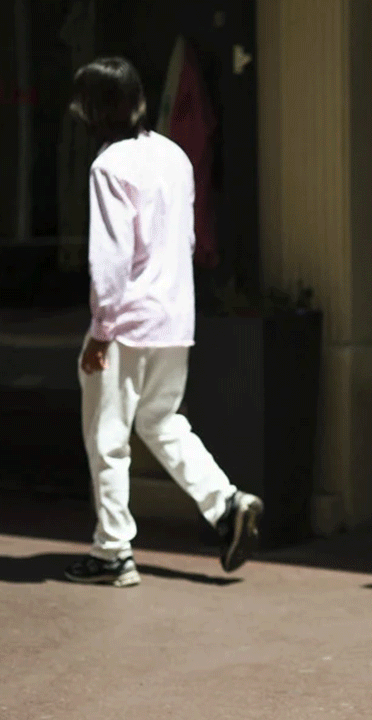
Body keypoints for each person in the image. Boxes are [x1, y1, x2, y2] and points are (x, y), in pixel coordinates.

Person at [62, 57, 263, 588]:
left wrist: (100, 334)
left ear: (96, 109)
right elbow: (191, 237)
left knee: (108, 438)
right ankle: (226, 504)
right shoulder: (172, 155)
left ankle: (112, 553)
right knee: (162, 421)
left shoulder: (109, 166)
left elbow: (109, 261)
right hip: (175, 315)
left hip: (126, 319)